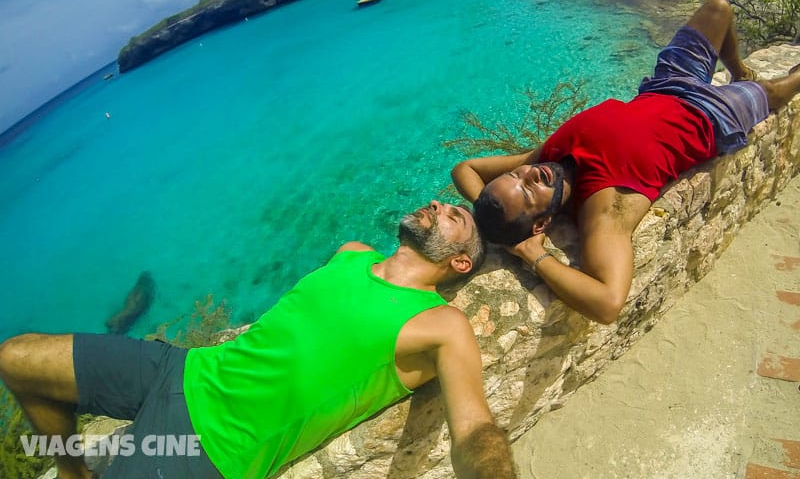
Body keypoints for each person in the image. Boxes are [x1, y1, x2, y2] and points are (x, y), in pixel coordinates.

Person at [0, 201, 517, 479]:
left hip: (214, 448)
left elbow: (474, 429)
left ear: (461, 263)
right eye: (442, 203)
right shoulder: (351, 252)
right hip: (182, 369)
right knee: (17, 358)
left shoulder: (440, 324)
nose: (437, 204)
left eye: (455, 216)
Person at [452, 0, 800, 325]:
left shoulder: (544, 160)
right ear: (542, 223)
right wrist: (530, 252)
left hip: (664, 86)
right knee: (772, 91)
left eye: (516, 174)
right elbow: (607, 304)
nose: (530, 174)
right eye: (528, 192)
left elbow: (463, 168)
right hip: (711, 116)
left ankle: (738, 68)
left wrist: (488, 211)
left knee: (718, 9)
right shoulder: (604, 207)